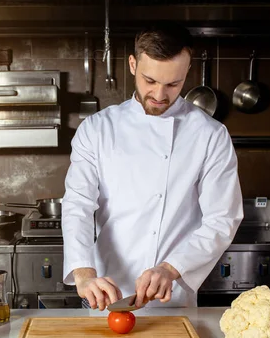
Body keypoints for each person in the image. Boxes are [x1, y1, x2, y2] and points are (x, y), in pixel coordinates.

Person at [62, 22, 243, 310]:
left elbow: (222, 219)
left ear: (187, 73)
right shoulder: (97, 128)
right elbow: (78, 205)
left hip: (172, 297)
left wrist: (171, 268)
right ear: (133, 64)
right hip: (106, 293)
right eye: (150, 81)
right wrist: (84, 275)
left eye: (173, 84)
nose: (160, 94)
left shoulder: (210, 134)